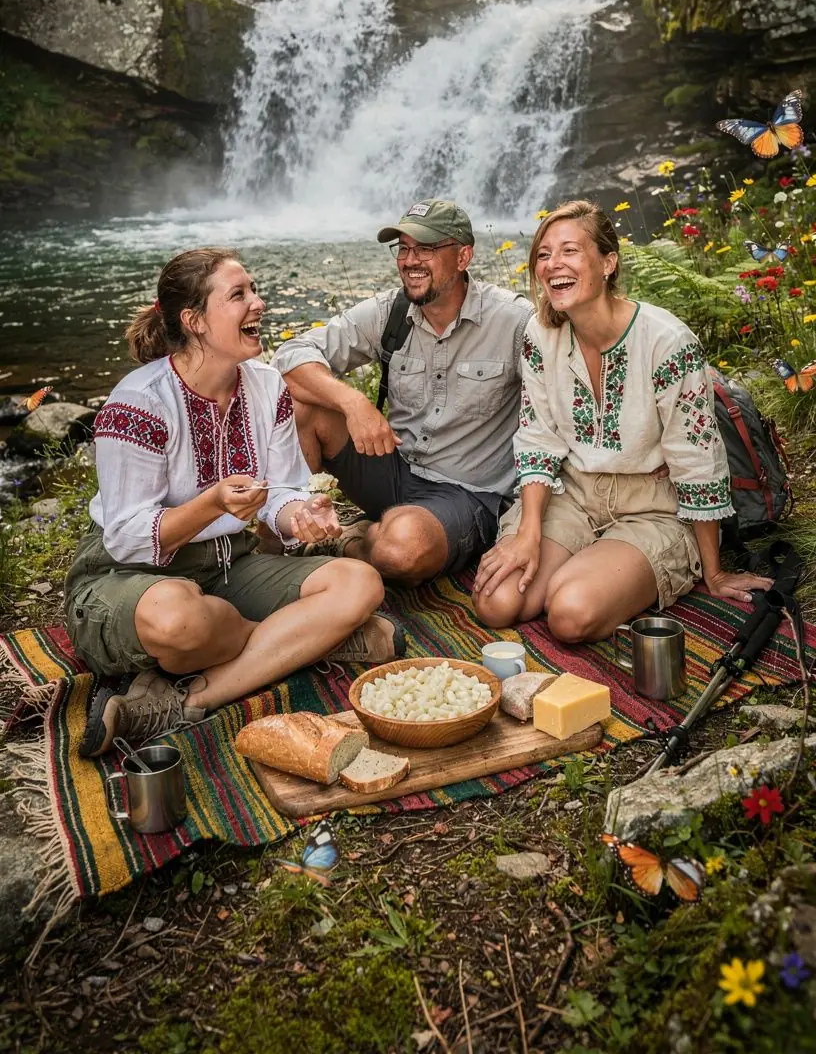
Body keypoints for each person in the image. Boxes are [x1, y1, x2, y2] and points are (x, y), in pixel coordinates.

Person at [67, 247, 403, 759]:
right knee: (181, 619)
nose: (259, 304)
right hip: (128, 575)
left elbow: (283, 489)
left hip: (231, 564)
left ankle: (186, 699)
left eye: (255, 290)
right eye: (239, 294)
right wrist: (212, 504)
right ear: (194, 321)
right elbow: (126, 535)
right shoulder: (139, 403)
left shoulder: (267, 386)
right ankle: (314, 640)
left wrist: (299, 515)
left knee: (359, 581)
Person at [472, 201, 773, 641]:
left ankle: (601, 571)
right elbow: (537, 437)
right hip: (573, 493)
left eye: (570, 251)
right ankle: (585, 564)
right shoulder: (541, 334)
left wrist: (715, 572)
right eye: (543, 254)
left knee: (569, 613)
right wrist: (528, 534)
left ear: (608, 262)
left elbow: (697, 459)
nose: (553, 263)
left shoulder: (667, 341)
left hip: (652, 504)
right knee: (496, 603)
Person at [275, 200, 533, 586]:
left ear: (463, 256)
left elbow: (560, 401)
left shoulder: (514, 321)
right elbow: (289, 356)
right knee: (302, 409)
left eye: (425, 249)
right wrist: (353, 402)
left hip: (465, 495)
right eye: (404, 248)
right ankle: (284, 538)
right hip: (392, 468)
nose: (410, 260)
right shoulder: (389, 312)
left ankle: (351, 541)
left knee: (400, 551)